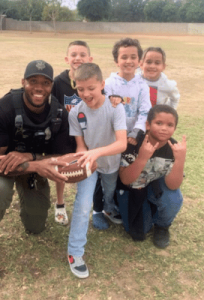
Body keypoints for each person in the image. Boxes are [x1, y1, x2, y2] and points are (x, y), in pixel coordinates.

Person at [0, 60, 73, 283]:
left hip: (30, 167)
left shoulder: (59, 113)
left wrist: (32, 159)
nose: (39, 88)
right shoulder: (3, 108)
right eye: (33, 81)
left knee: (36, 227)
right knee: (1, 191)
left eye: (45, 83)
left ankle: (25, 196)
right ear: (23, 82)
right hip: (0, 168)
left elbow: (63, 157)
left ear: (51, 86)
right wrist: (37, 165)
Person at [67, 63, 127, 278]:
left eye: (91, 88)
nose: (85, 94)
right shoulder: (75, 112)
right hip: (89, 164)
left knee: (109, 191)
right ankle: (74, 252)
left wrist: (97, 153)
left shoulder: (114, 107)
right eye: (80, 89)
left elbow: (122, 143)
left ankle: (108, 209)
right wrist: (86, 158)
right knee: (83, 204)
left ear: (102, 84)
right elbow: (80, 145)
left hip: (110, 163)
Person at [92, 37, 152, 230]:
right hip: (111, 138)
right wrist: (119, 133)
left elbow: (144, 112)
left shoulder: (142, 85)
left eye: (133, 57)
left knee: (121, 173)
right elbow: (105, 109)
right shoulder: (109, 83)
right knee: (104, 174)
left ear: (139, 61)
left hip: (133, 139)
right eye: (124, 57)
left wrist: (136, 132)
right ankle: (98, 210)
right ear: (116, 60)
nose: (128, 61)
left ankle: (113, 204)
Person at [116, 105, 185, 248]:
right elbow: (125, 180)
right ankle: (143, 208)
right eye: (158, 123)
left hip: (154, 185)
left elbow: (173, 185)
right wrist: (142, 158)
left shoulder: (174, 147)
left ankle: (162, 226)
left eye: (169, 125)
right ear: (147, 125)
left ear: (175, 128)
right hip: (132, 188)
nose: (164, 128)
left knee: (174, 197)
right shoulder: (133, 143)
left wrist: (180, 159)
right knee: (139, 232)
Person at [51, 40, 93, 225]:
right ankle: (60, 203)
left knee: (85, 168)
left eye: (82, 54)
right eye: (74, 54)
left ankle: (83, 204)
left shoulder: (93, 79)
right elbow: (51, 105)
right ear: (67, 58)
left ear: (90, 58)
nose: (78, 58)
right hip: (64, 135)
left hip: (87, 134)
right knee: (62, 169)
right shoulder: (58, 82)